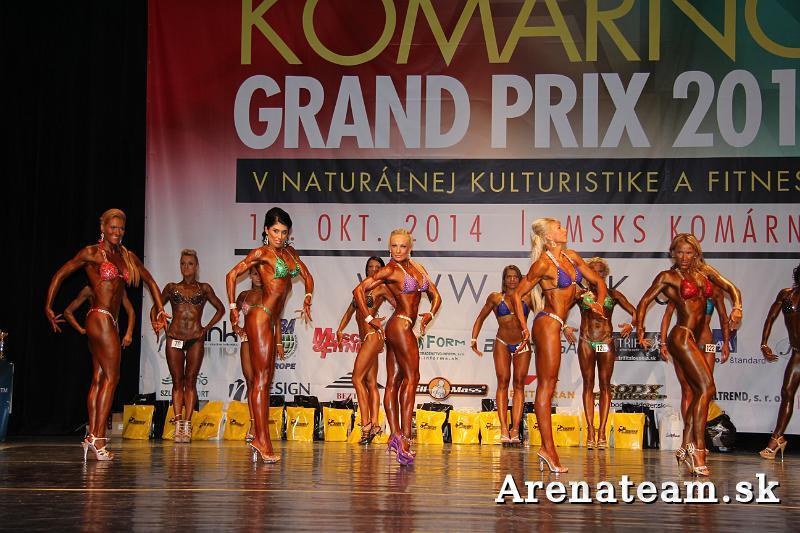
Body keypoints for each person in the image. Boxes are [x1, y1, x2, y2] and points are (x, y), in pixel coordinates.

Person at [45, 208, 169, 461]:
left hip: (111, 320)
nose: (117, 231)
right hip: (99, 316)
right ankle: (98, 438)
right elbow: (61, 274)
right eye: (113, 227)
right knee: (113, 378)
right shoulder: (92, 253)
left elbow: (151, 282)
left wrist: (159, 309)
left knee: (100, 378)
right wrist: (48, 305)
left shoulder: (126, 256)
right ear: (103, 228)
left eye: (121, 228)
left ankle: (92, 435)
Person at [635, 233, 742, 476]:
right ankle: (698, 449)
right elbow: (644, 302)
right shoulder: (668, 277)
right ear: (673, 253)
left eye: (688, 252)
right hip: (681, 336)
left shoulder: (705, 272)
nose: (684, 257)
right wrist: (640, 330)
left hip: (698, 338)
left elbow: (732, 289)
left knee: (700, 392)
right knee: (705, 389)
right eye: (679, 252)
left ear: (696, 253)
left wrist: (737, 307)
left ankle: (687, 443)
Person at [510, 218, 608, 474]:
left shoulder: (571, 256)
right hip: (547, 322)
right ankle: (548, 449)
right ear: (548, 237)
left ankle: (547, 448)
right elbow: (517, 295)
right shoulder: (543, 263)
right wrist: (523, 327)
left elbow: (599, 282)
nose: (564, 229)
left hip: (557, 323)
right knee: (546, 386)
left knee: (550, 385)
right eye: (558, 227)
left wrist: (597, 303)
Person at [225, 207, 314, 463]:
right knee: (261, 380)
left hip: (272, 319)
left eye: (284, 232)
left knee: (265, 379)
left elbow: (307, 276)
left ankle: (260, 437)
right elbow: (231, 275)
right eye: (275, 231)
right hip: (260, 315)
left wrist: (308, 297)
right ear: (266, 230)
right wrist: (232, 308)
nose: (279, 236)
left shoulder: (290, 253)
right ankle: (261, 439)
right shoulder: (261, 253)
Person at [353, 229, 441, 465]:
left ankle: (395, 436)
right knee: (412, 378)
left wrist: (430, 314)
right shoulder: (390, 270)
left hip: (402, 325)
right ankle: (405, 437)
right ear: (389, 248)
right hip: (400, 325)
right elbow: (358, 290)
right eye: (394, 246)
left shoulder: (418, 268)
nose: (398, 250)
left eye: (402, 246)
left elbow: (436, 295)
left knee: (394, 381)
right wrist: (369, 318)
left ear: (410, 247)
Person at [562, 257, 636, 450]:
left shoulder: (613, 294)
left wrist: (632, 324)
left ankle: (602, 431)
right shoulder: (580, 295)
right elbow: (559, 310)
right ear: (587, 275)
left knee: (605, 385)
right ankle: (590, 431)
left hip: (606, 341)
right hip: (586, 341)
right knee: (588, 384)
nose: (597, 274)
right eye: (593, 271)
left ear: (606, 274)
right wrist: (564, 327)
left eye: (601, 271)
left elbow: (636, 312)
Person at [152, 249, 225, 442]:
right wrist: (158, 323)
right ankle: (178, 425)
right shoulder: (171, 287)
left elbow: (221, 309)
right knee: (177, 382)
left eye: (190, 263)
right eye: (183, 263)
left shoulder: (204, 288)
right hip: (174, 336)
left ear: (196, 266)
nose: (186, 267)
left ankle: (187, 424)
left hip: (195, 337)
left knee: (190, 381)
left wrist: (206, 328)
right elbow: (155, 307)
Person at [470, 265, 533, 445]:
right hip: (502, 343)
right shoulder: (496, 298)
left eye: (515, 277)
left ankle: (515, 429)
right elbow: (480, 317)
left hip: (522, 344)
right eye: (509, 277)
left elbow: (546, 311)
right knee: (503, 382)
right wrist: (474, 339)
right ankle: (504, 428)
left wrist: (563, 326)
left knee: (519, 384)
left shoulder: (529, 298)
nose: (512, 280)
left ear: (520, 279)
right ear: (504, 280)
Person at [336, 256, 395, 444]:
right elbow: (349, 312)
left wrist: (390, 325)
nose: (374, 269)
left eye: (378, 267)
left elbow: (400, 306)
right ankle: (375, 425)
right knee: (370, 382)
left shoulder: (382, 288)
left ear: (382, 270)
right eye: (370, 266)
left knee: (356, 379)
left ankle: (366, 423)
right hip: (366, 339)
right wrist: (340, 329)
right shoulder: (360, 290)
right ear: (366, 269)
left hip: (372, 336)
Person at [659, 280, 730, 420]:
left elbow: (724, 317)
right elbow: (667, 315)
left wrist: (726, 343)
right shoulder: (683, 289)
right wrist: (662, 343)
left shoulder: (714, 290)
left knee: (705, 390)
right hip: (684, 344)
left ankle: (699, 430)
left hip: (707, 346)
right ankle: (688, 432)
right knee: (687, 390)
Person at [759, 262, 800, 460]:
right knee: (786, 393)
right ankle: (777, 438)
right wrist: (764, 343)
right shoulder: (786, 294)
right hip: (797, 354)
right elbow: (770, 318)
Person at [234, 267, 263, 442]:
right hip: (247, 340)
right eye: (254, 273)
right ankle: (253, 424)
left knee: (262, 384)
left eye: (260, 273)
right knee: (251, 382)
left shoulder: (270, 293)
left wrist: (278, 343)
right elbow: (234, 314)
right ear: (250, 275)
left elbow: (275, 320)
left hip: (264, 341)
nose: (258, 277)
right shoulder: (243, 296)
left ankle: (261, 426)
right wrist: (236, 327)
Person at [64, 285, 136, 350]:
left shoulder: (119, 289)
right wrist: (80, 329)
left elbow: (131, 312)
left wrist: (129, 334)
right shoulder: (90, 289)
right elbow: (67, 312)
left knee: (110, 359)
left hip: (113, 328)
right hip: (98, 328)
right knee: (103, 358)